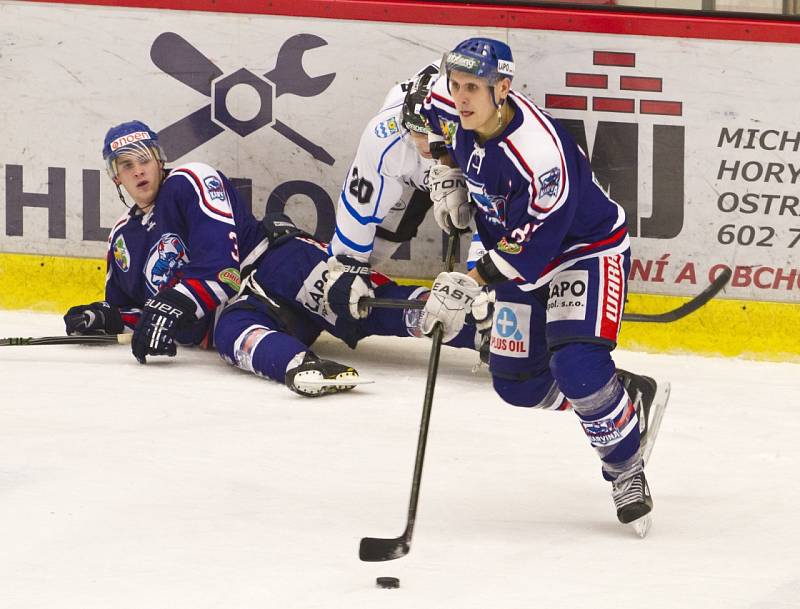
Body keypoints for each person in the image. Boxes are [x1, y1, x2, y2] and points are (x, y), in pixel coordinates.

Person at [419, 38, 670, 536]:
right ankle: (618, 399)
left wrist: (466, 284)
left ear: (503, 88)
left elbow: (533, 251)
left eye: (473, 87)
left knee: (575, 366)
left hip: (582, 253)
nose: (461, 97)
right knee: (518, 386)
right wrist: (446, 170)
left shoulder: (539, 156)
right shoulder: (450, 101)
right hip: (514, 257)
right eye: (456, 85)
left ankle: (625, 468)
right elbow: (428, 120)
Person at [213, 212, 480, 397]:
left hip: (276, 259)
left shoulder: (189, 183)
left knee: (367, 306)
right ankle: (299, 365)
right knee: (230, 334)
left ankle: (487, 328)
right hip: (243, 305)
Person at [63, 120, 265, 363]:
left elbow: (220, 269)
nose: (138, 171)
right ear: (116, 177)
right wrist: (106, 318)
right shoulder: (121, 238)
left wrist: (171, 310)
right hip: (232, 333)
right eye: (127, 165)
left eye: (144, 160)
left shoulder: (186, 185)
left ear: (160, 161)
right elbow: (142, 312)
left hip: (258, 293)